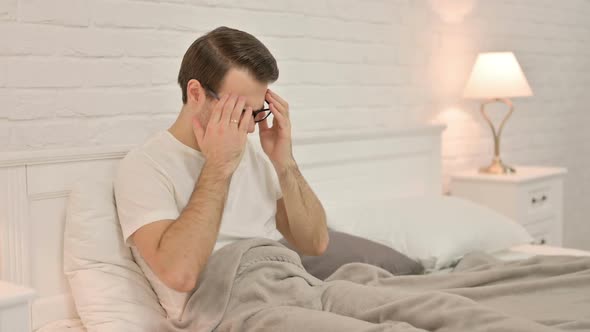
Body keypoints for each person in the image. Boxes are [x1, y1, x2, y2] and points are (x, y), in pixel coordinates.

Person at [113, 26, 329, 319]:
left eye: (257, 112)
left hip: (298, 287)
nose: (251, 128)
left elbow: (314, 243)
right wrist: (218, 166)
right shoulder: (145, 166)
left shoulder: (252, 154)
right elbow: (180, 274)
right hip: (238, 311)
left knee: (405, 304)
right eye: (240, 111)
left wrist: (284, 161)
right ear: (196, 93)